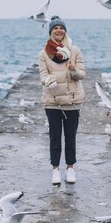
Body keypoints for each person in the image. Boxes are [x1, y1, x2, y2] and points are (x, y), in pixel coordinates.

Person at [38, 16, 86, 186]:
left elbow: (82, 74)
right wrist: (48, 80)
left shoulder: (75, 50)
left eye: (61, 28)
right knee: (55, 137)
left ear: (65, 31)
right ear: (51, 32)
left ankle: (70, 168)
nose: (59, 30)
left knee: (70, 136)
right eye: (55, 28)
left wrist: (73, 70)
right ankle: (55, 170)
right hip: (52, 101)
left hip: (72, 101)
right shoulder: (44, 53)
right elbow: (43, 75)